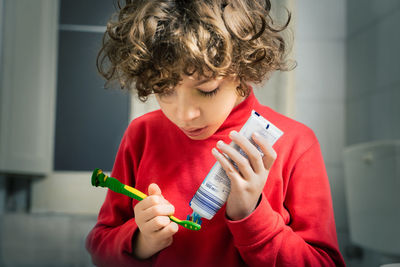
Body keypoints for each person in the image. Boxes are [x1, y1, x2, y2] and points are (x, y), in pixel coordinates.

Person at [86, 0, 346, 266]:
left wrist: (252, 215)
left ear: (242, 68)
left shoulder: (295, 143)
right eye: (165, 90)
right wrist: (140, 242)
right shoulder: (141, 135)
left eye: (207, 89)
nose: (184, 115)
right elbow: (99, 247)